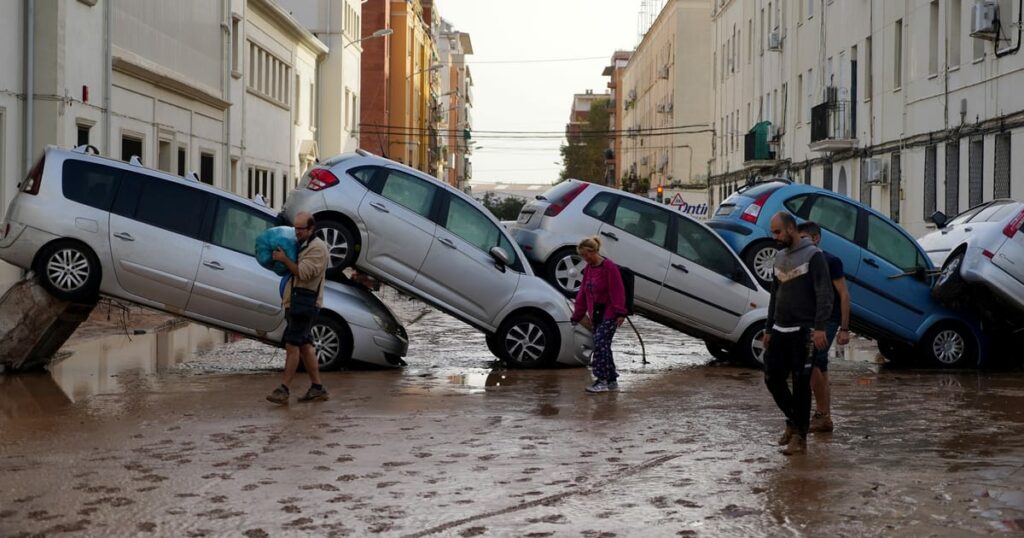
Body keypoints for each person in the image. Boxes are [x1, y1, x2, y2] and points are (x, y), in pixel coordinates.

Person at [763, 212, 834, 455]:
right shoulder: (779, 257)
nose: (775, 237)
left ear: (791, 229)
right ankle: (794, 422)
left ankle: (800, 438)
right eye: (773, 233)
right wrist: (768, 328)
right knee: (772, 378)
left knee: (802, 383)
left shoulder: (814, 257)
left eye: (778, 232)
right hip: (780, 330)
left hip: (805, 332)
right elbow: (774, 295)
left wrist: (820, 328)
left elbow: (825, 294)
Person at [266, 212, 330, 404]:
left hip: (306, 304)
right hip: (296, 302)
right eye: (295, 228)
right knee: (305, 345)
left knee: (292, 345)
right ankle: (317, 388)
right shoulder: (302, 244)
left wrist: (284, 259)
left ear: (311, 229)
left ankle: (283, 389)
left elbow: (303, 273)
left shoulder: (318, 249)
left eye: (301, 229)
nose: (297, 232)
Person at [797, 221, 851, 434]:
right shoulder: (802, 260)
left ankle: (821, 415)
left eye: (804, 239)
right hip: (811, 319)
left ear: (816, 238)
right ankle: (824, 417)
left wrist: (844, 328)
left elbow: (844, 294)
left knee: (813, 364)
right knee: (821, 367)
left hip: (828, 319)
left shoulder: (831, 261)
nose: (799, 243)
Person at [570, 236, 627, 393]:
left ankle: (601, 380)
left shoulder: (609, 267)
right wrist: (577, 315)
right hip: (596, 315)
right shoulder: (588, 269)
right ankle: (611, 380)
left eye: (585, 255)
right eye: (582, 255)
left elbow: (618, 291)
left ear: (593, 251)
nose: (584, 258)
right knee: (604, 346)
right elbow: (582, 293)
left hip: (610, 313)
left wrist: (620, 313)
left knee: (600, 343)